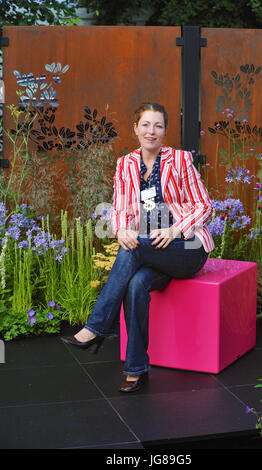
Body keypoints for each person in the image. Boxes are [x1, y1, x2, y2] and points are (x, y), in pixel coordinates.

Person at [61, 102, 215, 392]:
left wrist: (174, 229)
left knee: (136, 247)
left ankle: (96, 327)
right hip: (149, 252)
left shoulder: (180, 160)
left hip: (186, 249)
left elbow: (205, 207)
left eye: (157, 125)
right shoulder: (125, 164)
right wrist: (121, 231)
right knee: (134, 285)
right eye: (145, 124)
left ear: (165, 131)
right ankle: (135, 369)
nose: (151, 131)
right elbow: (119, 209)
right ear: (135, 128)